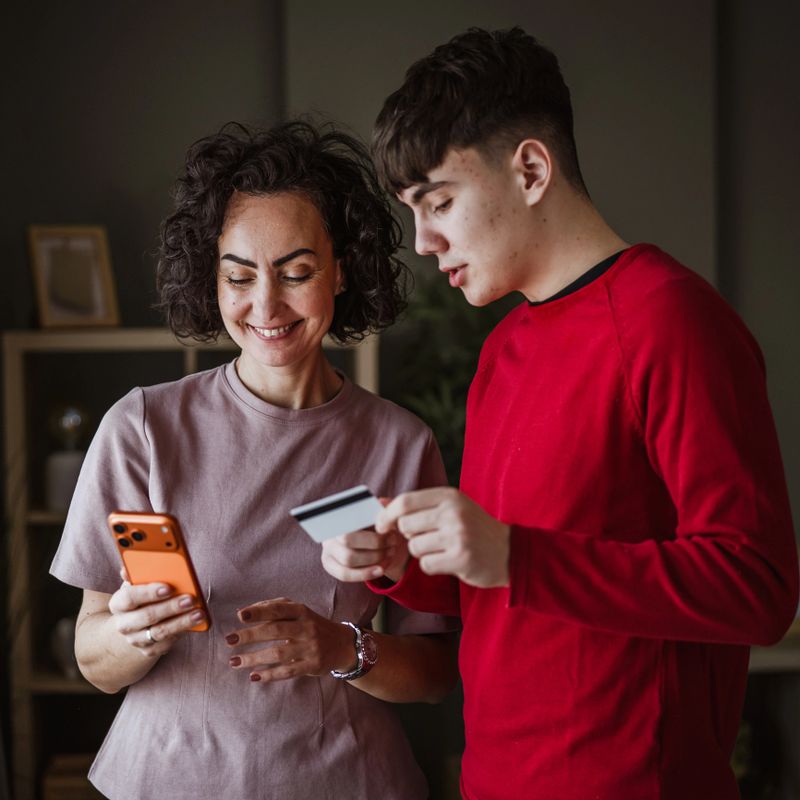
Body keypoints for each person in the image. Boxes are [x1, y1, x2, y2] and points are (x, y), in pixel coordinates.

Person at [320, 27, 799, 800]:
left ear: (532, 170)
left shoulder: (673, 321)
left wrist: (517, 556)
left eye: (440, 202)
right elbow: (508, 590)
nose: (424, 241)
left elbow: (758, 588)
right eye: (413, 212)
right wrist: (405, 563)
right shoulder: (502, 349)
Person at [49, 120, 459, 800]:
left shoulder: (398, 443)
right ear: (211, 277)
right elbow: (94, 661)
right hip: (166, 778)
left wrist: (342, 649)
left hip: (344, 780)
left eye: (296, 273)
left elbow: (436, 673)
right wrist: (132, 634)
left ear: (341, 269)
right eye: (239, 276)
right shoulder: (144, 428)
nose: (266, 305)